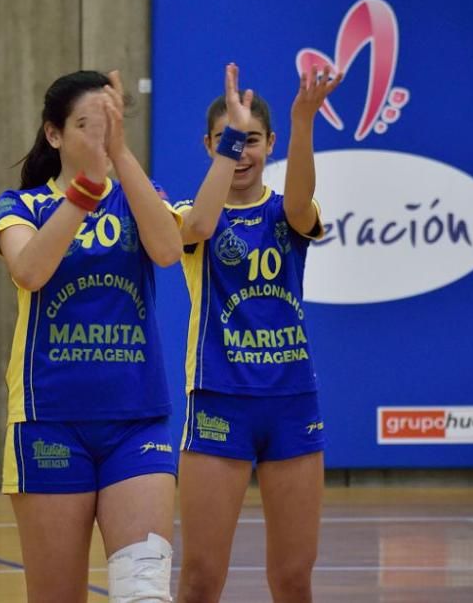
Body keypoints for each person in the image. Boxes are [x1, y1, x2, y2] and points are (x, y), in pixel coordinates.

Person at [0, 70, 183, 601]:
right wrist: (83, 194)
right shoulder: (21, 206)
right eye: (86, 125)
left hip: (136, 420)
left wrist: (120, 159)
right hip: (49, 422)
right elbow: (29, 271)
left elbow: (168, 250)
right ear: (54, 134)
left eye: (110, 125)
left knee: (144, 591)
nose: (100, 136)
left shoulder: (141, 197)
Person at [175, 63, 341, 603]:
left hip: (292, 404)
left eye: (249, 140)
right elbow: (197, 228)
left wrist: (303, 120)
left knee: (293, 580)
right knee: (201, 579)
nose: (239, 152)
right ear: (208, 146)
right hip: (220, 402)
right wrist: (229, 145)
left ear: (269, 143)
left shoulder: (287, 213)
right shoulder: (193, 215)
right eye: (226, 141)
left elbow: (298, 206)